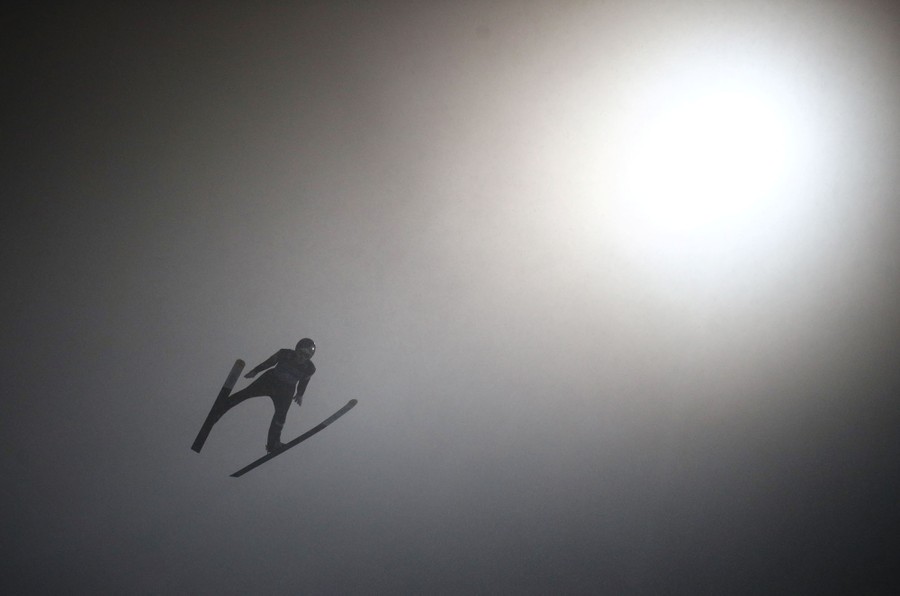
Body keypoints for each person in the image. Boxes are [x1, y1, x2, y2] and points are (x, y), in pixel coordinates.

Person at [204, 338, 317, 452]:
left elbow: (304, 381)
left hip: (286, 391)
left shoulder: (310, 368)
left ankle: (273, 444)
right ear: (296, 349)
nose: (302, 358)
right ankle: (218, 412)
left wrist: (300, 394)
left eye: (306, 356)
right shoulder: (285, 353)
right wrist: (256, 370)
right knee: (245, 394)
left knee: (281, 416)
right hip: (270, 381)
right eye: (301, 353)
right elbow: (269, 362)